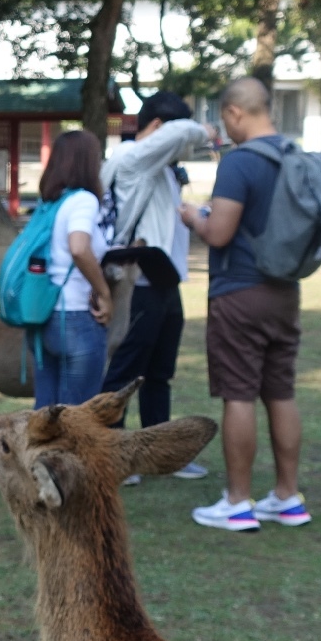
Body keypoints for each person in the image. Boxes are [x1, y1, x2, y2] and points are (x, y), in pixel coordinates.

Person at [181, 76, 310, 531]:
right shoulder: (293, 155)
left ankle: (237, 502)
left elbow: (220, 233)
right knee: (281, 391)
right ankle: (287, 497)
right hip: (285, 289)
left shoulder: (240, 164)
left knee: (239, 393)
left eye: (224, 118)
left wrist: (194, 217)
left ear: (236, 113)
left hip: (239, 290)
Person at [99, 90, 213, 481]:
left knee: (159, 373)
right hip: (139, 283)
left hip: (166, 281)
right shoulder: (132, 158)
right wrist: (208, 128)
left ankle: (159, 455)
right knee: (125, 372)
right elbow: (183, 131)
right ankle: (114, 455)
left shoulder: (162, 165)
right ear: (160, 127)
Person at [34, 129, 112, 406]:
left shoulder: (50, 202)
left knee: (45, 418)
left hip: (46, 316)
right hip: (76, 318)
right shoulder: (83, 200)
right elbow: (79, 247)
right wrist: (103, 292)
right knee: (77, 420)